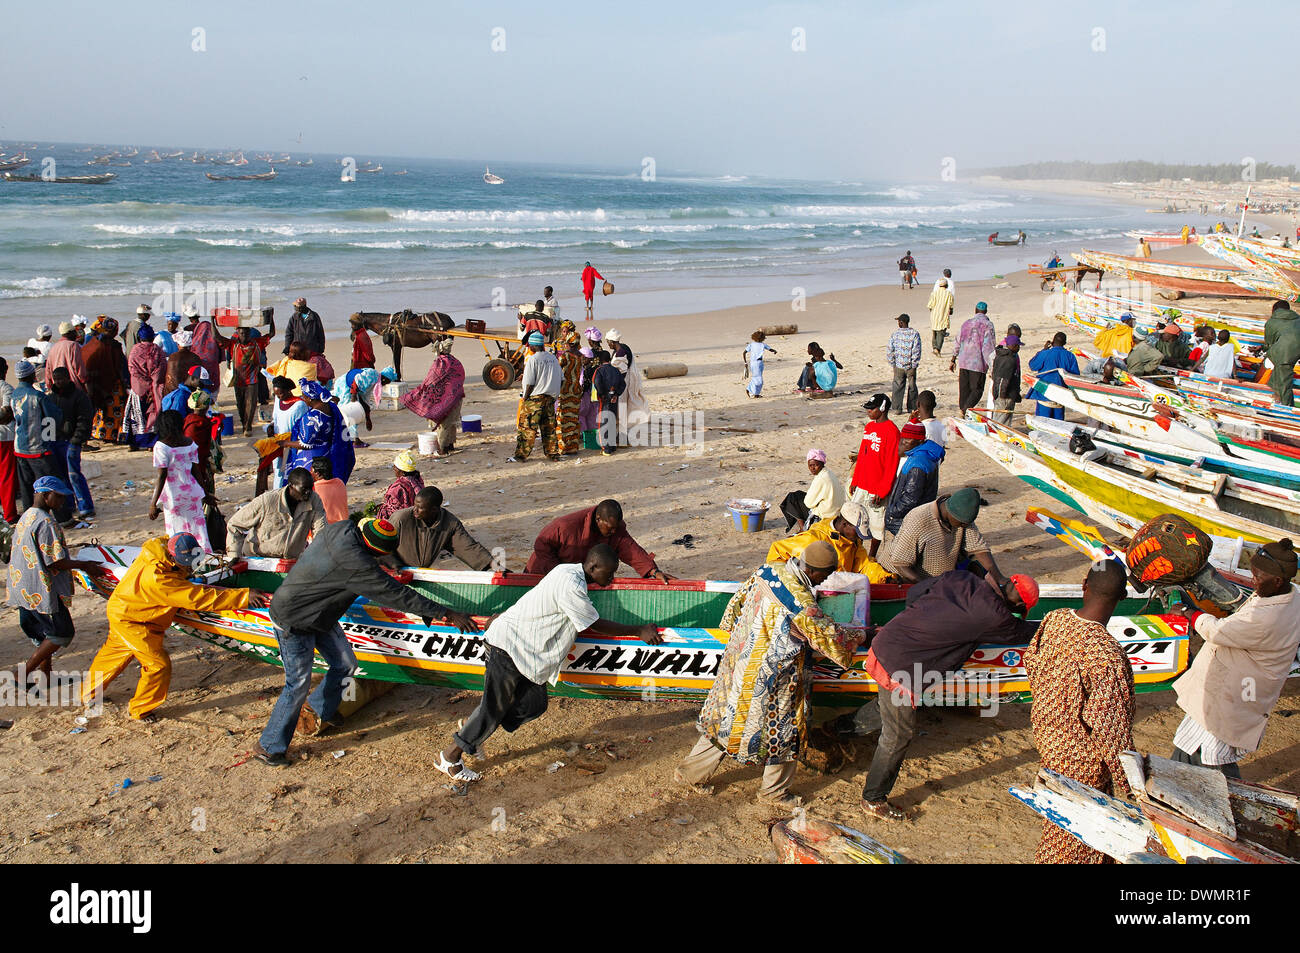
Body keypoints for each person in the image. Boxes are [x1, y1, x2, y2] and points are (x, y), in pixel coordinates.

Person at [260, 517, 477, 765]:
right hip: (294, 619)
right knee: (297, 684)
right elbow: (396, 594)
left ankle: (323, 709)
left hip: (321, 614)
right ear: (373, 551)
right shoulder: (357, 565)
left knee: (346, 665)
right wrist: (445, 612)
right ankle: (268, 746)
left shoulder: (343, 529)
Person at [437, 544, 657, 782]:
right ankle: (450, 757)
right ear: (593, 567)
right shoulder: (571, 584)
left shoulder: (570, 572)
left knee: (533, 705)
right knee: (494, 708)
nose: (612, 578)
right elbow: (594, 623)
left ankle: (474, 728)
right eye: (609, 572)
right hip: (509, 646)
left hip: (527, 654)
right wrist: (638, 630)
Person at [675, 540, 861, 806]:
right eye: (826, 574)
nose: (826, 579)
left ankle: (690, 773)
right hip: (773, 677)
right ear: (815, 571)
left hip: (740, 662)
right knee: (785, 732)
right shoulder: (803, 603)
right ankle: (774, 793)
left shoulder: (768, 571)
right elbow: (829, 638)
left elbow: (735, 606)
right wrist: (859, 634)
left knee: (724, 721)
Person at [854, 570, 1038, 819]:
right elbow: (1022, 633)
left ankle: (838, 729)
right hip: (901, 669)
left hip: (886, 642)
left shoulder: (962, 577)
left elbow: (915, 594)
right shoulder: (997, 617)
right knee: (897, 735)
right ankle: (873, 799)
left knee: (886, 708)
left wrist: (924, 621)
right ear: (1018, 605)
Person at [82, 533, 270, 721]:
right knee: (158, 665)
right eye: (186, 564)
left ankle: (88, 693)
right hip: (133, 622)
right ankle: (140, 709)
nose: (189, 567)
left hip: (123, 607)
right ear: (173, 558)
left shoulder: (157, 548)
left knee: (114, 653)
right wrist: (243, 596)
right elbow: (199, 598)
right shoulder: (159, 580)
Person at [1023, 560, 1135, 863]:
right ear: (1121, 598)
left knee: (1067, 826)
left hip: (1048, 742)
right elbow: (1110, 728)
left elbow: (1031, 662)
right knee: (1075, 842)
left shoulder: (1054, 619)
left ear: (1084, 585)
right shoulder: (1107, 655)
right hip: (1082, 762)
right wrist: (1131, 782)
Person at [1169, 539, 1300, 778]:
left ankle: (1227, 804)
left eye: (1258, 578)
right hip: (1230, 689)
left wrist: (1189, 613)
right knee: (1191, 744)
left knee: (1212, 756)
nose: (1253, 581)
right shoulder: (1292, 595)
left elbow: (1217, 631)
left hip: (1236, 694)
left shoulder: (1267, 617)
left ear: (1278, 581)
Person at [5, 477, 108, 683]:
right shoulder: (46, 522)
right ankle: (22, 673)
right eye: (58, 497)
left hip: (22, 584)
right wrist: (85, 565)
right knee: (62, 632)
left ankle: (46, 675)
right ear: (45, 495)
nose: (62, 502)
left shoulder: (27, 515)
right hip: (39, 588)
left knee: (44, 632)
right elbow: (54, 562)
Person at [525, 499, 673, 581]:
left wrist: (653, 571)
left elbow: (630, 549)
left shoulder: (615, 528)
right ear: (598, 519)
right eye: (610, 528)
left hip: (576, 578)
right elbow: (541, 544)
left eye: (616, 528)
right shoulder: (566, 526)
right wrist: (559, 574)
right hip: (542, 575)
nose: (614, 532)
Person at [883, 487, 1006, 585]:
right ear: (951, 513)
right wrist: (930, 587)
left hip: (938, 581)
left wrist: (1000, 579)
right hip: (900, 579)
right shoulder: (919, 519)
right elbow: (900, 564)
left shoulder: (963, 520)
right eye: (962, 523)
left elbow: (979, 549)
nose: (964, 526)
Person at [766, 501, 891, 582]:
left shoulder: (853, 542)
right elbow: (777, 551)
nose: (859, 538)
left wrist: (884, 578)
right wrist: (791, 584)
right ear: (844, 524)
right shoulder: (814, 539)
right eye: (857, 532)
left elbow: (864, 565)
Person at [11, 361, 70, 523]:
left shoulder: (14, 394)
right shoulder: (37, 396)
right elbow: (54, 417)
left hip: (20, 447)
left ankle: (30, 519)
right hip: (38, 448)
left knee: (27, 487)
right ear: (31, 376)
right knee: (53, 483)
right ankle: (63, 518)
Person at [384, 486, 494, 570]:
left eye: (420, 508)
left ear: (434, 510)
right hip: (396, 570)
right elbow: (382, 546)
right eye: (415, 505)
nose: (415, 510)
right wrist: (395, 565)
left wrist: (491, 563)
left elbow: (466, 546)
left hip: (420, 573)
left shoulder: (450, 523)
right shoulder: (400, 519)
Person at [228, 467, 326, 559]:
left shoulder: (314, 500)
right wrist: (234, 555)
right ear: (291, 486)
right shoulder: (267, 501)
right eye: (304, 489)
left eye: (310, 488)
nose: (308, 493)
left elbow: (320, 531)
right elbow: (235, 524)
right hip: (259, 558)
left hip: (289, 561)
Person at [148, 410, 212, 551]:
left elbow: (162, 476)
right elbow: (196, 471)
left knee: (176, 532)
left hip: (173, 496)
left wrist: (153, 503)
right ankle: (205, 557)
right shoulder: (190, 443)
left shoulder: (161, 447)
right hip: (192, 492)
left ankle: (182, 560)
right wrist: (205, 493)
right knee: (199, 530)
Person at [848, 394, 900, 558]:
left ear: (882, 408)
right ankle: (856, 550)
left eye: (872, 408)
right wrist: (855, 480)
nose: (868, 411)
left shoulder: (892, 432)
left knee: (877, 524)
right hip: (862, 483)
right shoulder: (869, 427)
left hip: (877, 487)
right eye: (868, 408)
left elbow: (892, 464)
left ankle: (872, 555)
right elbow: (862, 455)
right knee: (855, 519)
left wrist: (883, 490)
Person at [400, 336, 465, 456]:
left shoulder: (440, 363)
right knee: (451, 423)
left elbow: (431, 380)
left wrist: (421, 389)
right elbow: (460, 376)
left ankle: (442, 449)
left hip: (445, 398)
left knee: (443, 424)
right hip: (456, 396)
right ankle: (450, 445)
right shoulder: (455, 361)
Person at [47, 367, 95, 521]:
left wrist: (77, 440)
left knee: (74, 474)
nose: (59, 382)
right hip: (56, 441)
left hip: (71, 441)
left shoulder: (79, 396)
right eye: (56, 379)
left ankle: (86, 507)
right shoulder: (51, 397)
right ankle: (68, 505)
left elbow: (85, 420)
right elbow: (47, 421)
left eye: (61, 378)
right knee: (61, 476)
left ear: (68, 378)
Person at [285, 379, 354, 485]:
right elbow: (335, 399)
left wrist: (284, 443)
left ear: (310, 398)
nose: (303, 399)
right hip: (326, 453)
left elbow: (305, 444)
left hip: (311, 458)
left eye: (304, 397)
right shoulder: (330, 407)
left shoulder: (313, 417)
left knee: (308, 484)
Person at [883, 421, 944, 536]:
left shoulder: (918, 465)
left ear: (919, 441)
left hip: (908, 520)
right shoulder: (924, 455)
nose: (902, 443)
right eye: (902, 439)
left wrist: (893, 511)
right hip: (918, 516)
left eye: (907, 441)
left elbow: (910, 498)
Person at [509, 331, 562, 462]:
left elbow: (530, 383)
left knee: (527, 429)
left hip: (534, 399)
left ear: (533, 346)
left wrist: (525, 398)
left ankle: (521, 455)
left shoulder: (533, 359)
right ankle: (553, 454)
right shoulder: (553, 358)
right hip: (549, 398)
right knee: (549, 428)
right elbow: (562, 379)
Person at [779, 448, 845, 532]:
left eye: (815, 465)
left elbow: (808, 503)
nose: (812, 468)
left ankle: (803, 528)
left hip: (826, 515)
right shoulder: (829, 473)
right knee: (796, 495)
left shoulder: (821, 479)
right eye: (810, 465)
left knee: (792, 499)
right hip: (836, 511)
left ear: (822, 464)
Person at [950, 301, 996, 415]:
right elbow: (988, 348)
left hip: (964, 361)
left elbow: (958, 341)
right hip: (978, 364)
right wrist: (992, 366)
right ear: (985, 312)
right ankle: (965, 410)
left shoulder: (966, 323)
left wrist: (953, 359)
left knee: (964, 390)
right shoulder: (988, 325)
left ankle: (964, 410)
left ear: (975, 311)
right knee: (977, 390)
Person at [606, 328, 649, 443]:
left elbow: (621, 373)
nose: (608, 345)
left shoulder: (620, 354)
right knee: (623, 409)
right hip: (626, 383)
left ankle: (622, 436)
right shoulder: (624, 347)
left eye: (608, 342)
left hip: (622, 385)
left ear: (612, 342)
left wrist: (614, 388)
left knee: (622, 409)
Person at [1028, 332, 1081, 420]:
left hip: (1044, 395)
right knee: (1058, 426)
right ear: (1064, 343)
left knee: (1042, 424)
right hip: (1060, 396)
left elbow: (1033, 365)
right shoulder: (1070, 356)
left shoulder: (1045, 353)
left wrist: (1043, 350)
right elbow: (1075, 377)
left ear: (1052, 342)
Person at [268, 376, 308, 489]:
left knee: (289, 471)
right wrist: (271, 426)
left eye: (281, 394)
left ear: (288, 390)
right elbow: (275, 418)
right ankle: (277, 493)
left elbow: (302, 427)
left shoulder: (300, 405)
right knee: (278, 471)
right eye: (276, 395)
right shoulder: (278, 401)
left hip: (291, 444)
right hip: (277, 442)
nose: (279, 397)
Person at [229, 327, 267, 436]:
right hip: (238, 379)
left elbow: (271, 334)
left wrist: (271, 318)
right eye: (242, 333)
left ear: (249, 333)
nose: (244, 335)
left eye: (246, 333)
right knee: (240, 403)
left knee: (251, 402)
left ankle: (248, 426)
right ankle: (243, 424)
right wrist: (213, 321)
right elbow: (218, 338)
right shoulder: (234, 343)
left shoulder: (256, 342)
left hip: (252, 378)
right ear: (238, 333)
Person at [1264, 299, 1300, 406]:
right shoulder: (1298, 318)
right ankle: (1276, 396)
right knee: (1277, 376)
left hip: (1285, 352)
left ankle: (1287, 407)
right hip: (1294, 349)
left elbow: (1269, 344)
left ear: (1274, 310)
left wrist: (1265, 349)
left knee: (1284, 383)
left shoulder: (1271, 322)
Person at [555, 327, 585, 453]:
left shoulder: (565, 356)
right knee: (573, 419)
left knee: (563, 420)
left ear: (568, 342)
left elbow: (557, 372)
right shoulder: (581, 357)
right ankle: (573, 447)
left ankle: (564, 447)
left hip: (565, 391)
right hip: (576, 391)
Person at [590, 348, 624, 456]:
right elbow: (623, 384)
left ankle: (606, 448)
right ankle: (612, 446)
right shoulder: (616, 370)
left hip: (604, 400)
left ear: (600, 360)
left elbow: (597, 383)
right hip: (614, 399)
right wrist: (616, 394)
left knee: (604, 422)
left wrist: (604, 395)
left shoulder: (599, 370)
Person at [886, 313, 922, 414]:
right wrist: (914, 364)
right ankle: (912, 408)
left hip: (899, 365)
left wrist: (892, 363)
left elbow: (890, 350)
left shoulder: (895, 334)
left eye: (898, 322)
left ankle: (897, 408)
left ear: (901, 323)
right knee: (912, 387)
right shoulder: (914, 333)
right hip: (910, 366)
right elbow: (917, 350)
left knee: (898, 386)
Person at [378, 450, 424, 521]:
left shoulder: (399, 487)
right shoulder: (417, 479)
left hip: (404, 520)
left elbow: (393, 510)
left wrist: (384, 505)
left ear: (402, 472)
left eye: (395, 467)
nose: (394, 468)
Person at [44, 321, 87, 393]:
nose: (76, 334)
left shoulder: (54, 347)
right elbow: (79, 368)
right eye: (74, 332)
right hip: (73, 387)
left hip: (57, 387)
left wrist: (49, 385)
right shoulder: (73, 345)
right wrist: (85, 382)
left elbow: (48, 370)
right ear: (70, 332)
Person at [990, 335, 1022, 425]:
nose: (1019, 348)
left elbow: (994, 374)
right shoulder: (1010, 359)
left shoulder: (999, 355)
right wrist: (1003, 395)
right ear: (1013, 346)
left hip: (997, 391)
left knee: (997, 417)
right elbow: (1004, 379)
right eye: (1018, 346)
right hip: (1006, 395)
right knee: (1003, 420)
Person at [0, 358, 16, 523]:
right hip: (4, 437)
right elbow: (5, 413)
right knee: (6, 476)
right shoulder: (5, 388)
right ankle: (10, 515)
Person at [310, 458, 349, 523]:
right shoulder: (340, 482)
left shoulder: (314, 488)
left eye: (312, 471)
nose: (311, 473)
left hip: (327, 526)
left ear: (317, 473)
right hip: (344, 523)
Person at [164, 330, 200, 395]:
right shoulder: (196, 358)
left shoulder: (172, 358)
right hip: (192, 392)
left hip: (176, 392)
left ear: (178, 344)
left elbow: (169, 379)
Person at [743, 331, 777, 398]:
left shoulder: (761, 344)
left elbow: (770, 349)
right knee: (759, 380)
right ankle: (753, 392)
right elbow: (744, 353)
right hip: (755, 363)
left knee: (756, 377)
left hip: (759, 363)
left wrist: (774, 351)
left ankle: (752, 391)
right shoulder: (753, 345)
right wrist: (745, 363)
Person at [926, 278, 954, 355]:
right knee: (941, 333)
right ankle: (937, 349)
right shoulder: (949, 294)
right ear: (946, 285)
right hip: (943, 316)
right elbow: (951, 306)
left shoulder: (934, 293)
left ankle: (934, 347)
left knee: (934, 332)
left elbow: (930, 306)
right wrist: (950, 311)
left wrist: (933, 312)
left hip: (934, 315)